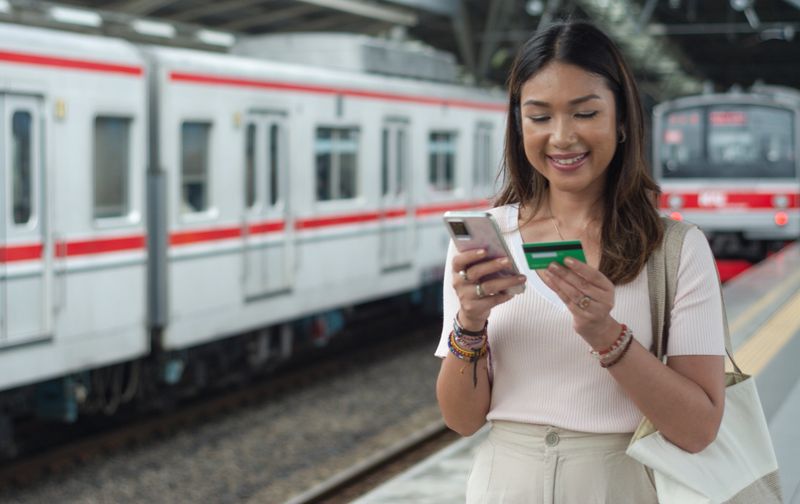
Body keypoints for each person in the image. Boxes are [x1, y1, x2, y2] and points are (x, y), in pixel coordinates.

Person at [435, 21, 726, 503]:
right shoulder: (486, 242)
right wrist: (469, 322)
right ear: (519, 126)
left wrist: (606, 335)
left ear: (622, 120)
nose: (562, 137)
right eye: (539, 117)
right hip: (503, 486)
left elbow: (699, 429)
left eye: (585, 113)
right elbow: (462, 420)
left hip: (621, 484)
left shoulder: (675, 249)